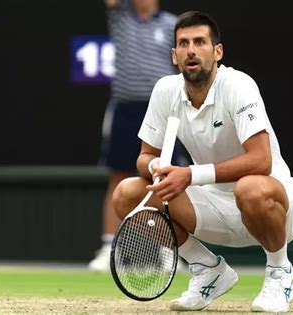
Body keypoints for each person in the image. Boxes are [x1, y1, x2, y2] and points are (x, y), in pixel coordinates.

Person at [112, 11, 293, 312]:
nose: (191, 50)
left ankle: (280, 272)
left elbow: (261, 160)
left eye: (200, 42)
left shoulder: (238, 85)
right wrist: (156, 169)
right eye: (183, 43)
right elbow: (145, 156)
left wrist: (189, 175)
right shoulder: (165, 90)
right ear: (174, 56)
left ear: (217, 51)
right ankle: (207, 270)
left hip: (276, 208)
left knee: (250, 188)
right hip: (212, 209)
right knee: (128, 194)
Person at [88, 0, 178, 271]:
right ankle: (109, 249)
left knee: (165, 178)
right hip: (125, 110)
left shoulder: (172, 24)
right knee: (117, 177)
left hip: (161, 110)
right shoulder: (120, 16)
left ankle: (169, 250)